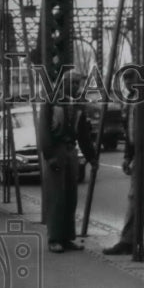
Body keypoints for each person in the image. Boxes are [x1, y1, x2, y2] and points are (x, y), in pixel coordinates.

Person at [103, 68, 144, 257]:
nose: (128, 85)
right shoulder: (131, 99)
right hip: (138, 153)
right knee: (135, 197)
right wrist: (128, 156)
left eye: (131, 80)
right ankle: (128, 240)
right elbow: (130, 130)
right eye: (126, 82)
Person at [39, 70, 98, 253]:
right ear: (63, 83)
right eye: (71, 83)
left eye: (77, 83)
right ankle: (54, 238)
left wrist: (91, 157)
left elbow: (83, 134)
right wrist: (49, 156)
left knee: (70, 196)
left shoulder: (79, 104)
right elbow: (44, 132)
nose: (74, 86)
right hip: (56, 150)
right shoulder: (51, 101)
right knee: (56, 196)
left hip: (71, 151)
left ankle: (67, 237)